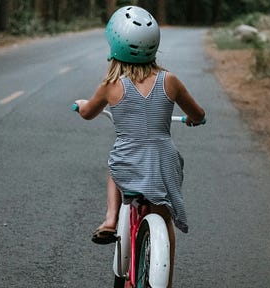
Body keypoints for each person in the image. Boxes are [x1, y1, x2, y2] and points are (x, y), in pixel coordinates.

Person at [74, 6, 205, 287]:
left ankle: (110, 219)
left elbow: (87, 113)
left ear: (115, 45)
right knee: (163, 218)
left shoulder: (110, 86)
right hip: (163, 162)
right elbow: (199, 114)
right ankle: (165, 280)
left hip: (129, 160)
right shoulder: (170, 80)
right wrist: (194, 120)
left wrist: (83, 105)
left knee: (114, 166)